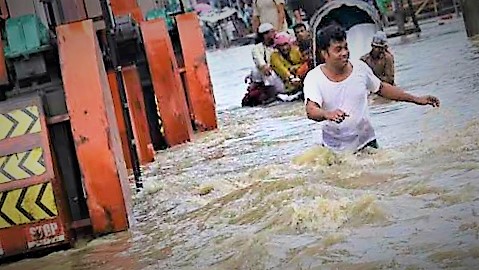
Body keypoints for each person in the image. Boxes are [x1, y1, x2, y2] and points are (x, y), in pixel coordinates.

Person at [303, 25, 440, 153]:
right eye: (338, 50)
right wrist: (327, 114)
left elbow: (382, 88)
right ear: (324, 54)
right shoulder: (314, 78)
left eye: (346, 47)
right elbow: (311, 110)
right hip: (334, 148)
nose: (345, 53)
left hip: (366, 142)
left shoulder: (360, 68)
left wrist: (416, 99)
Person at [251, 23, 285, 95]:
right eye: (272, 32)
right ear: (265, 35)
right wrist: (265, 67)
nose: (275, 33)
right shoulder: (257, 48)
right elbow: (261, 63)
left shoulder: (278, 43)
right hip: (267, 72)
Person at [270, 32, 306, 97]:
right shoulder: (274, 56)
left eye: (285, 44)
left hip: (298, 76)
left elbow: (304, 63)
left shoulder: (296, 50)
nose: (284, 48)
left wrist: (296, 68)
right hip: (284, 81)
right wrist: (291, 78)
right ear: (277, 47)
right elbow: (281, 70)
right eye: (281, 46)